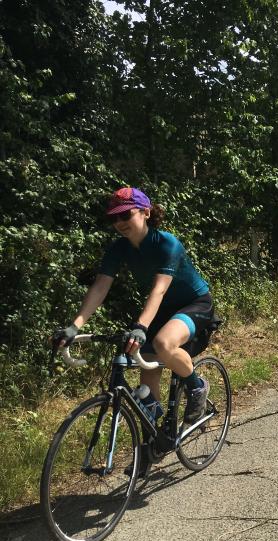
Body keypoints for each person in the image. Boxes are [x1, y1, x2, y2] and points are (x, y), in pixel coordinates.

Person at [51, 187, 214, 473]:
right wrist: (74, 326)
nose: (120, 222)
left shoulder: (167, 244)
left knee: (163, 343)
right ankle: (156, 440)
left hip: (194, 303)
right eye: (114, 218)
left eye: (126, 214)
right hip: (159, 311)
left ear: (146, 212)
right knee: (144, 384)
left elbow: (159, 289)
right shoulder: (119, 247)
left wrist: (140, 326)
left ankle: (197, 386)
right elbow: (100, 286)